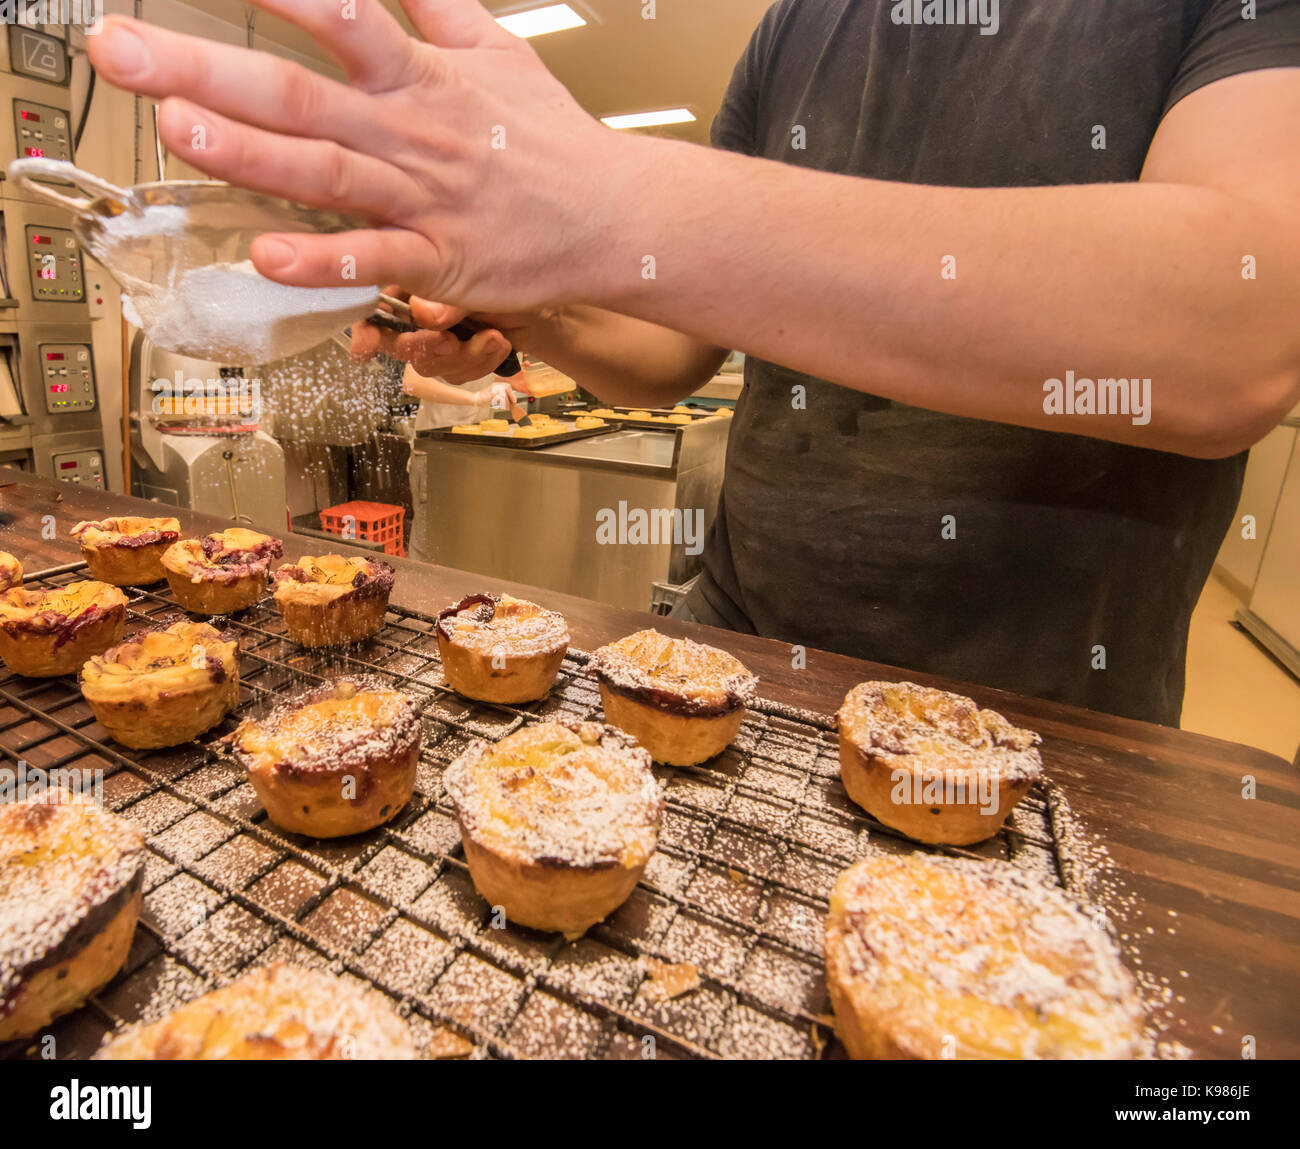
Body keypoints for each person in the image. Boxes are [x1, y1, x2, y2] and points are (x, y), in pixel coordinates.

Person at [88, 0, 1300, 725]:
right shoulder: (802, 26)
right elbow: (673, 349)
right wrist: (534, 300)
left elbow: (1239, 334)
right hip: (743, 650)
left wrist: (614, 198)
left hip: (1032, 704)